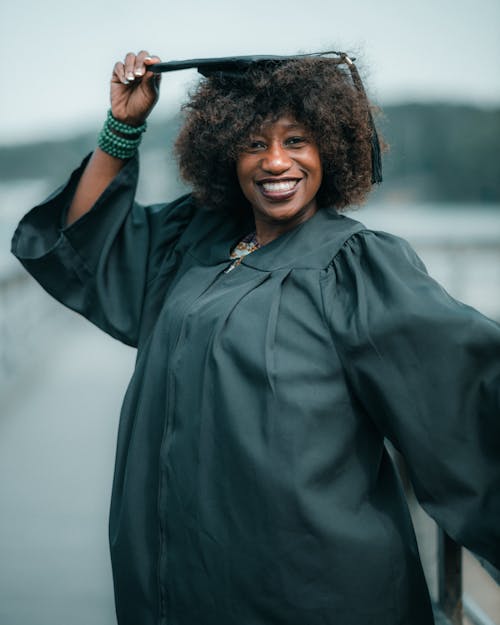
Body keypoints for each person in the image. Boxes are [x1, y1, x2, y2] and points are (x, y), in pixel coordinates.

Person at [11, 49, 500, 625]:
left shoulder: (355, 266)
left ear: (331, 150)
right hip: (177, 581)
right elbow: (86, 241)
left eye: (296, 141)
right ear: (224, 152)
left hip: (311, 588)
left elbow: (465, 388)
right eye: (254, 143)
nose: (275, 162)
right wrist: (124, 126)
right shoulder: (194, 239)